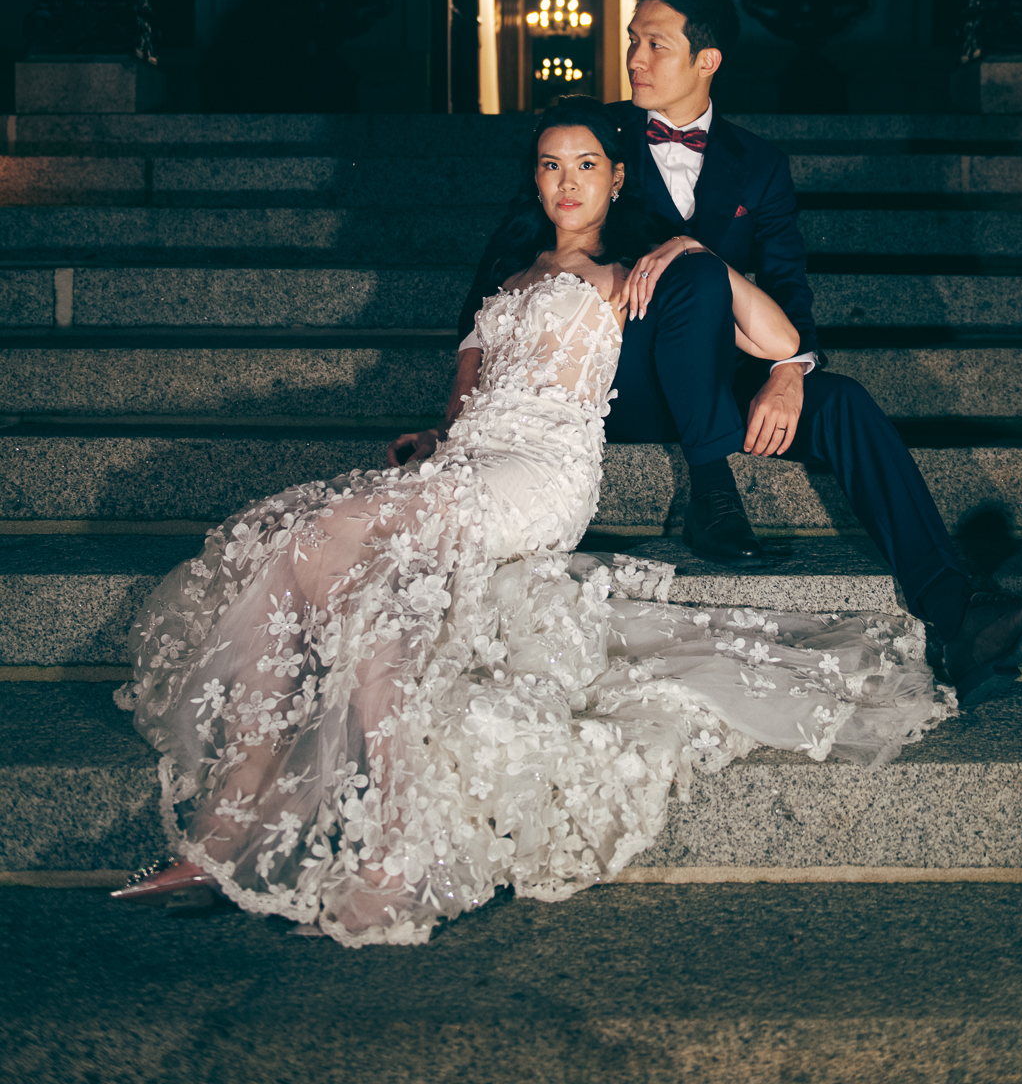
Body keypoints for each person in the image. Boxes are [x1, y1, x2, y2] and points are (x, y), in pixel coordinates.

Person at [112, 99, 954, 946]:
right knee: (349, 581)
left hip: (542, 475)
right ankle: (269, 845)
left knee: (309, 540)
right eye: (551, 165)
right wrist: (437, 440)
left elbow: (776, 336)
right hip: (470, 460)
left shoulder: (631, 274)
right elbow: (467, 403)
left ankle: (262, 839)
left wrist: (701, 253)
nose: (566, 182)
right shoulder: (505, 281)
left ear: (618, 178)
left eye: (586, 164)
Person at [439, 0, 1022, 711]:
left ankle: (962, 618)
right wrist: (460, 413)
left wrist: (793, 369)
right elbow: (504, 274)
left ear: (706, 59)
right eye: (632, 42)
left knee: (840, 401)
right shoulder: (592, 140)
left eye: (655, 44)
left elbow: (789, 285)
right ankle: (712, 493)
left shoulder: (760, 164)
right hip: (620, 383)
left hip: (722, 369)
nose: (635, 60)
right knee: (689, 274)